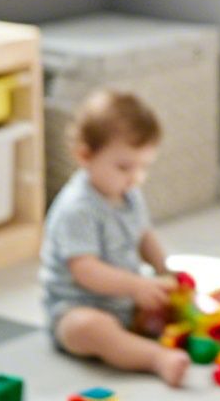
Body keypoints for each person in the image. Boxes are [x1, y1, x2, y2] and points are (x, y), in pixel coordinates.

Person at [39, 88, 187, 387]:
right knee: (88, 328)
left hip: (124, 302)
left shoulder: (129, 194)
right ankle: (155, 358)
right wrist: (136, 285)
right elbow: (85, 271)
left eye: (144, 166)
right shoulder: (77, 208)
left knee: (169, 304)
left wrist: (165, 272)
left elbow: (144, 236)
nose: (136, 177)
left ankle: (165, 334)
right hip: (77, 307)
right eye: (124, 167)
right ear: (85, 155)